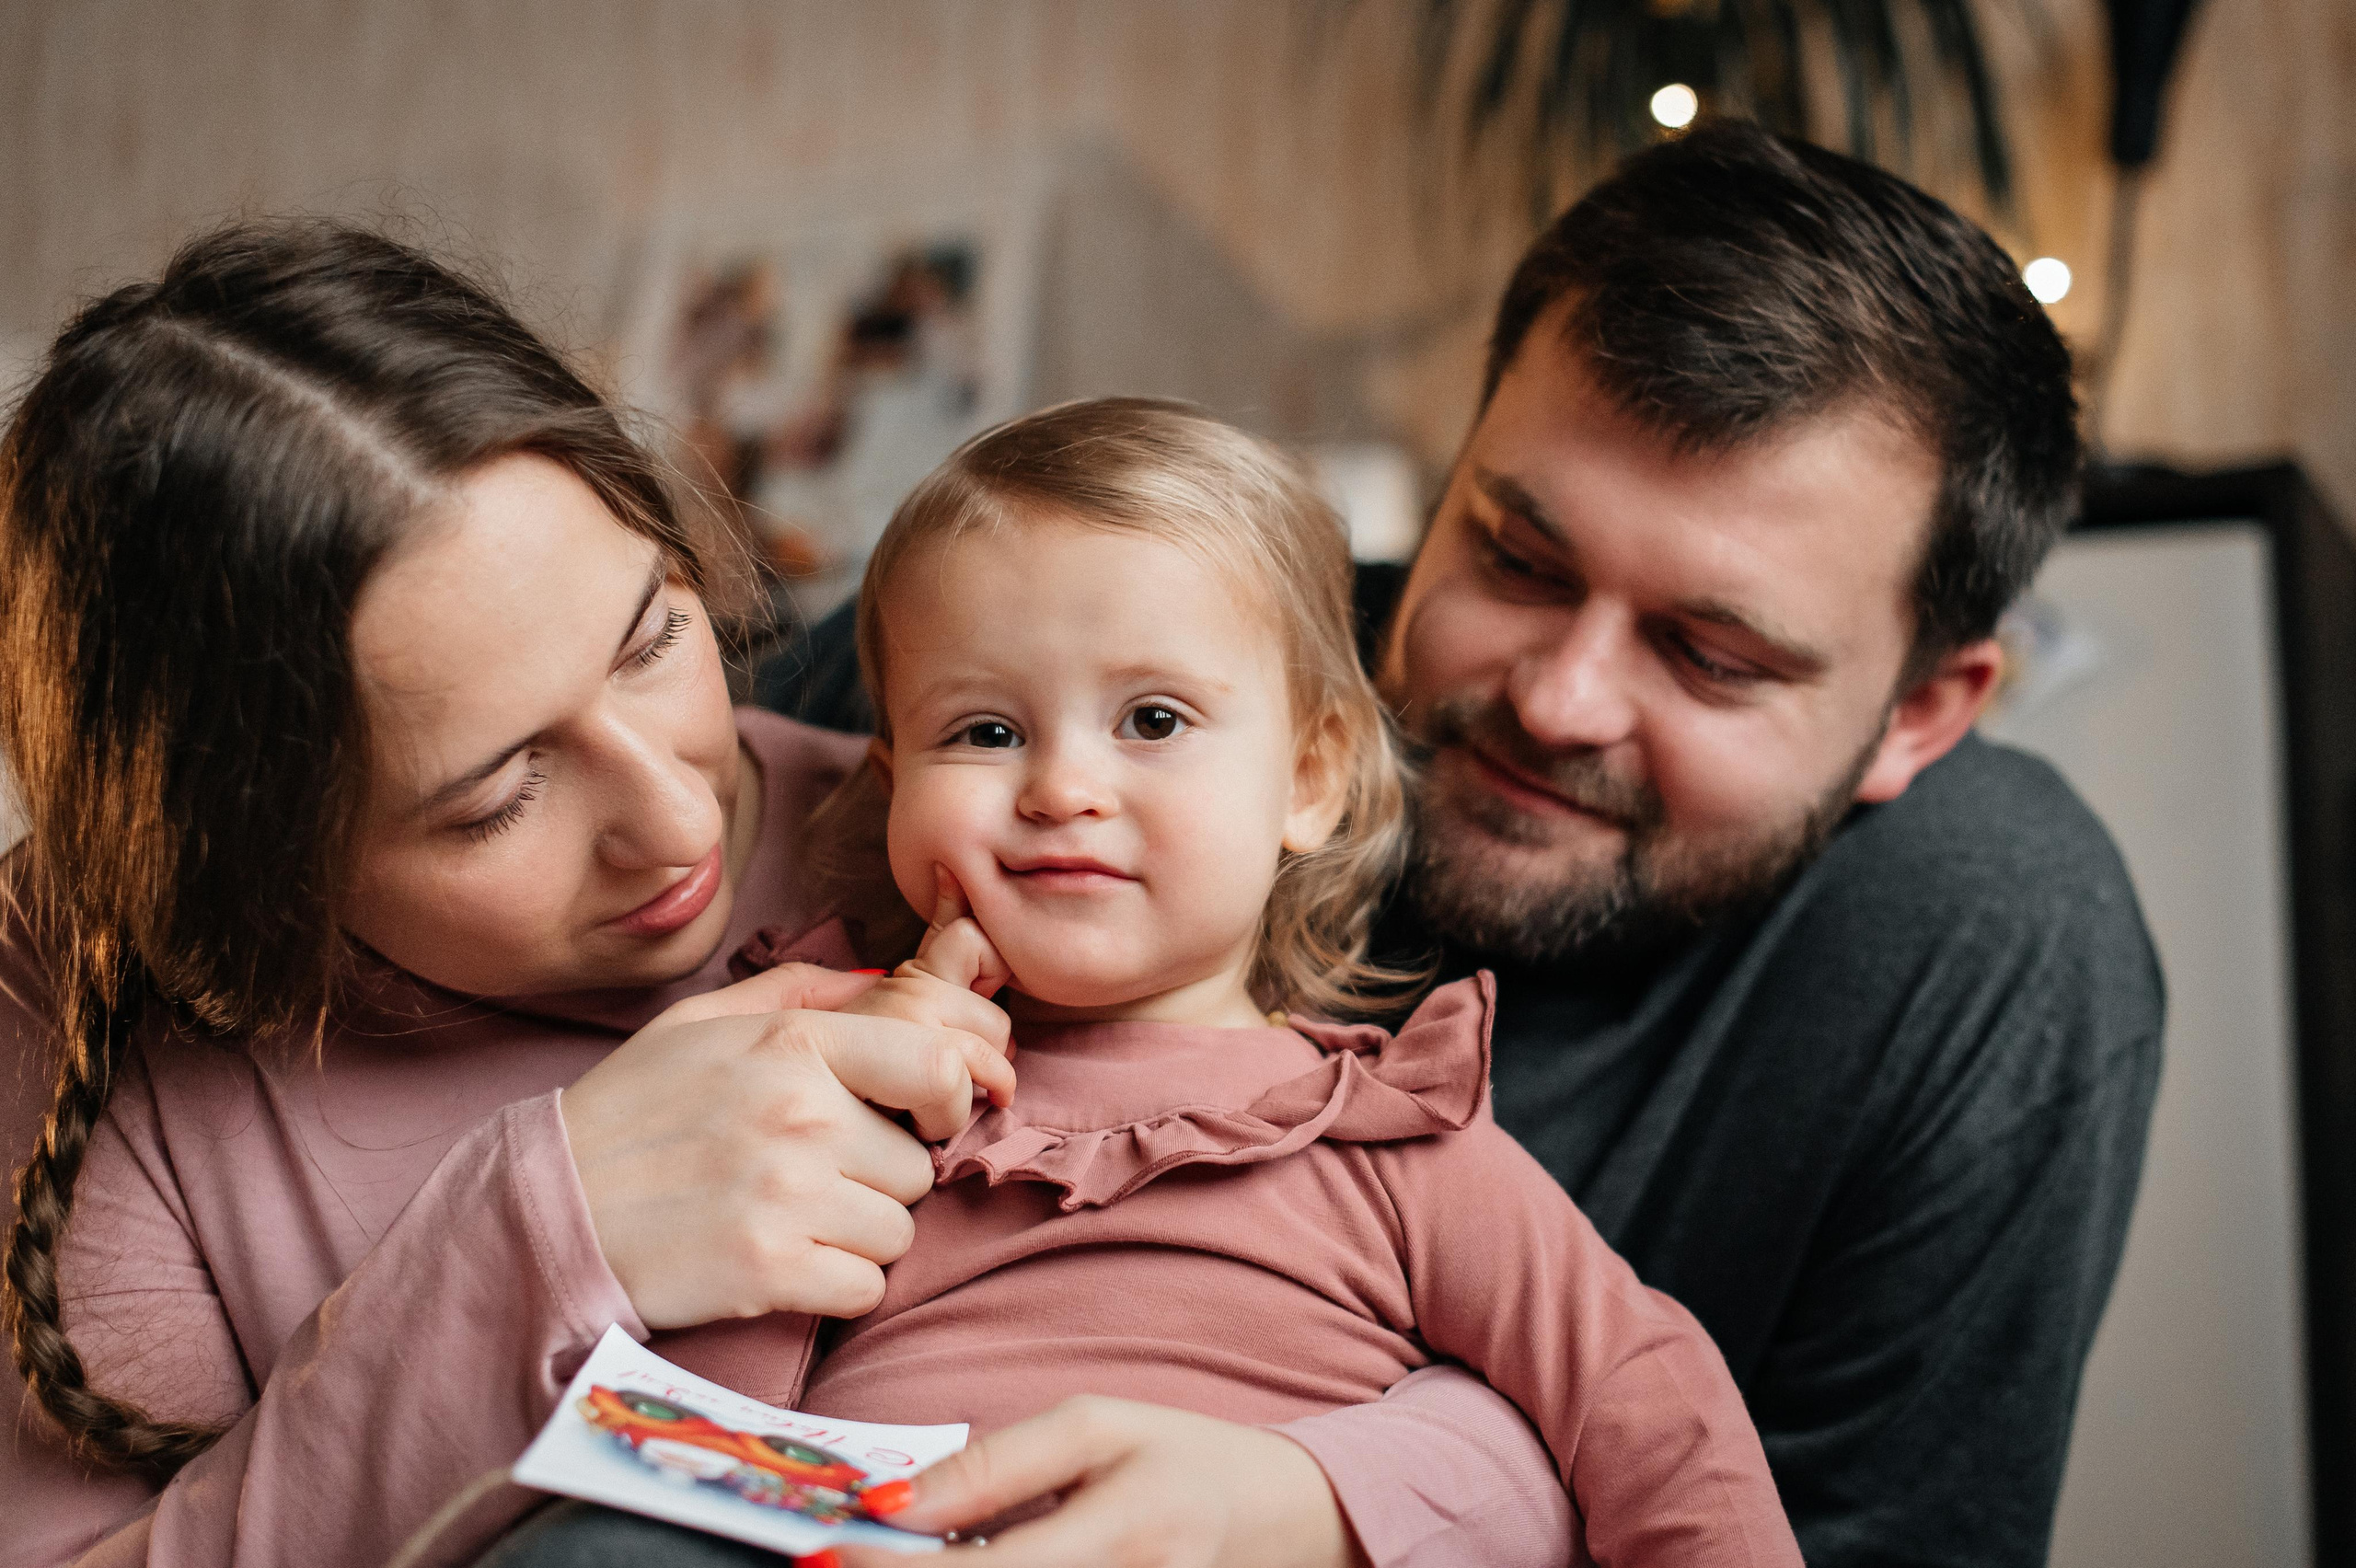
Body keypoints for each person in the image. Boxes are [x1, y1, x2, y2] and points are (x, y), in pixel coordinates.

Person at [0, 224, 1577, 1568]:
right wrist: (530, 1240)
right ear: (249, 865)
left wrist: (1313, 1498)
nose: (675, 812)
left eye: (653, 638)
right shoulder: (78, 1001)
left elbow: (1488, 1329)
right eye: (497, 792)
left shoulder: (999, 840)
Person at [766, 122, 2166, 1568]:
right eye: (1517, 556)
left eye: (1712, 655)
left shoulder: (1986, 925)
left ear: (1919, 712)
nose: (1560, 701)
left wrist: (1369, 1499)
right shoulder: (1069, 635)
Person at [742, 396, 1798, 1565]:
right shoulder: (835, 1083)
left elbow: (1645, 1398)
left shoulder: (1387, 1137)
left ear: (1308, 778)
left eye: (1152, 719)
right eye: (986, 733)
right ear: (894, 787)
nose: (1061, 787)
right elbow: (688, 1418)